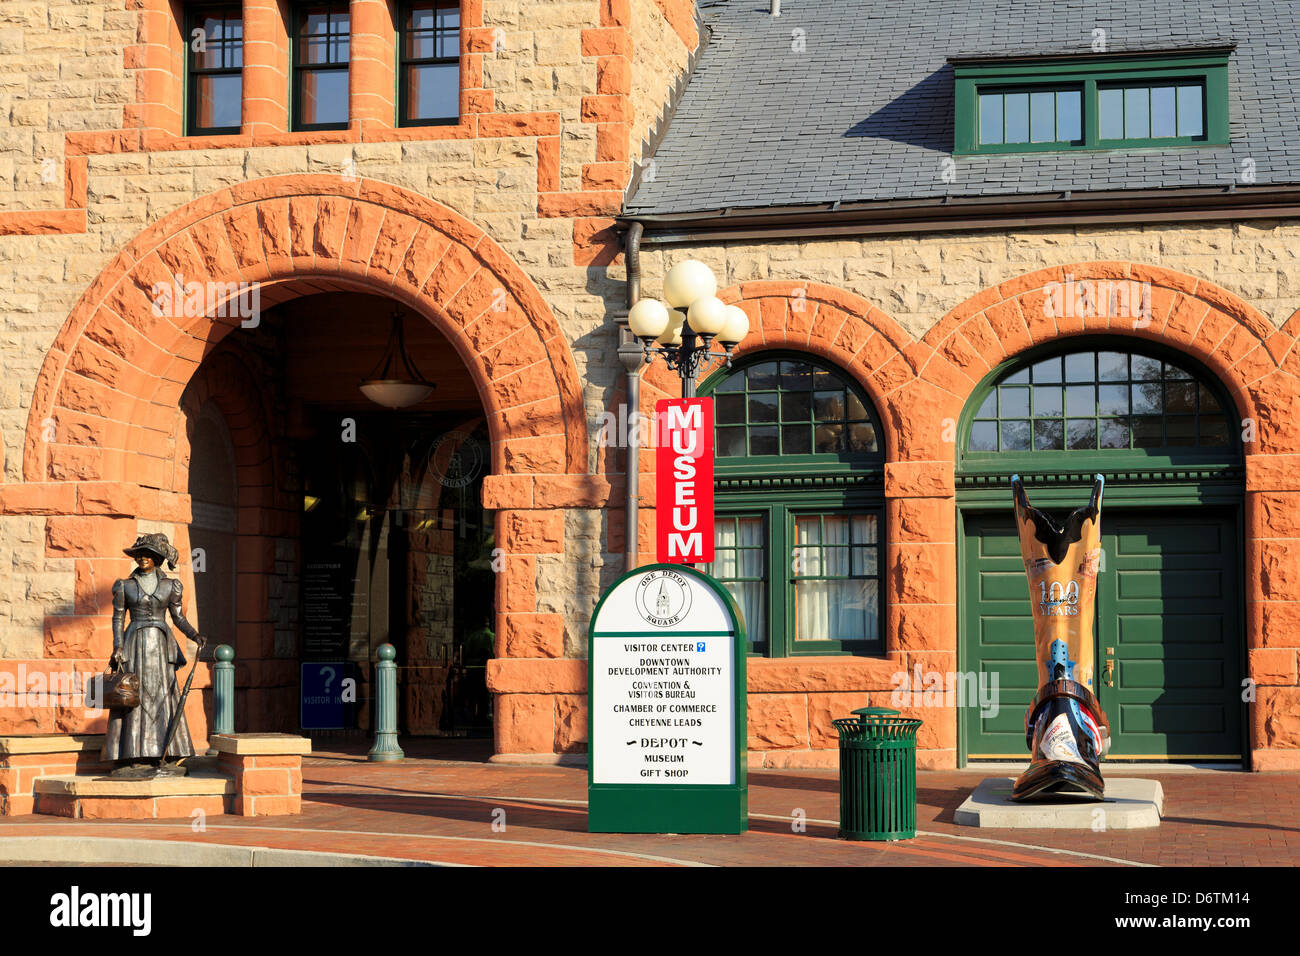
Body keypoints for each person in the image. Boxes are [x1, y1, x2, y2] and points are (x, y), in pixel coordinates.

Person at [102, 533, 206, 771]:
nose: (142, 558)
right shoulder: (125, 585)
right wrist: (118, 645)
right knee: (132, 697)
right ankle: (131, 753)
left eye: (148, 554)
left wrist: (194, 634)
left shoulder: (171, 585)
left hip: (160, 645)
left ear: (158, 558)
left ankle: (166, 753)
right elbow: (118, 617)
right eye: (139, 554)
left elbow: (178, 617)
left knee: (162, 696)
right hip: (134, 643)